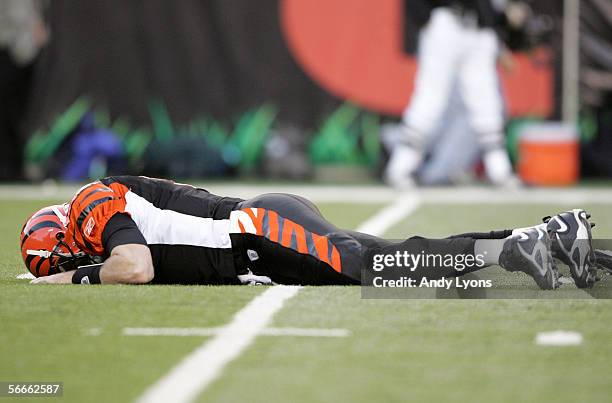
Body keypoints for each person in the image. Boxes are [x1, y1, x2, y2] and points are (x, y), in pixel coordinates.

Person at [21, 176, 598, 289]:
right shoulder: (95, 209)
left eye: (59, 262)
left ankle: (518, 249)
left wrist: (78, 279)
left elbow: (134, 267)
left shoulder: (89, 203)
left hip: (261, 230)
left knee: (385, 268)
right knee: (394, 258)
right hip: (264, 238)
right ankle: (544, 237)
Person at [385, 0, 527, 187]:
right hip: (447, 21)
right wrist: (424, 19)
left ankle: (500, 171)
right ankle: (400, 168)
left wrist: (502, 23)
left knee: (488, 105)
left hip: (479, 28)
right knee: (429, 99)